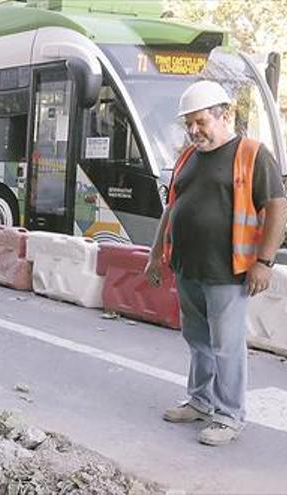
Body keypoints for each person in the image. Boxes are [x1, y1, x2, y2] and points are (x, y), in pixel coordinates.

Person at [145, 80, 287, 446]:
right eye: (188, 124)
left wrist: (265, 261)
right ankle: (200, 400)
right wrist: (156, 253)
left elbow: (277, 207)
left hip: (228, 269)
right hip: (188, 266)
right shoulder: (188, 156)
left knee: (226, 344)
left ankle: (229, 415)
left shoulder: (252, 154)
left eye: (200, 122)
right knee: (197, 339)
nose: (193, 130)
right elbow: (172, 207)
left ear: (224, 115)